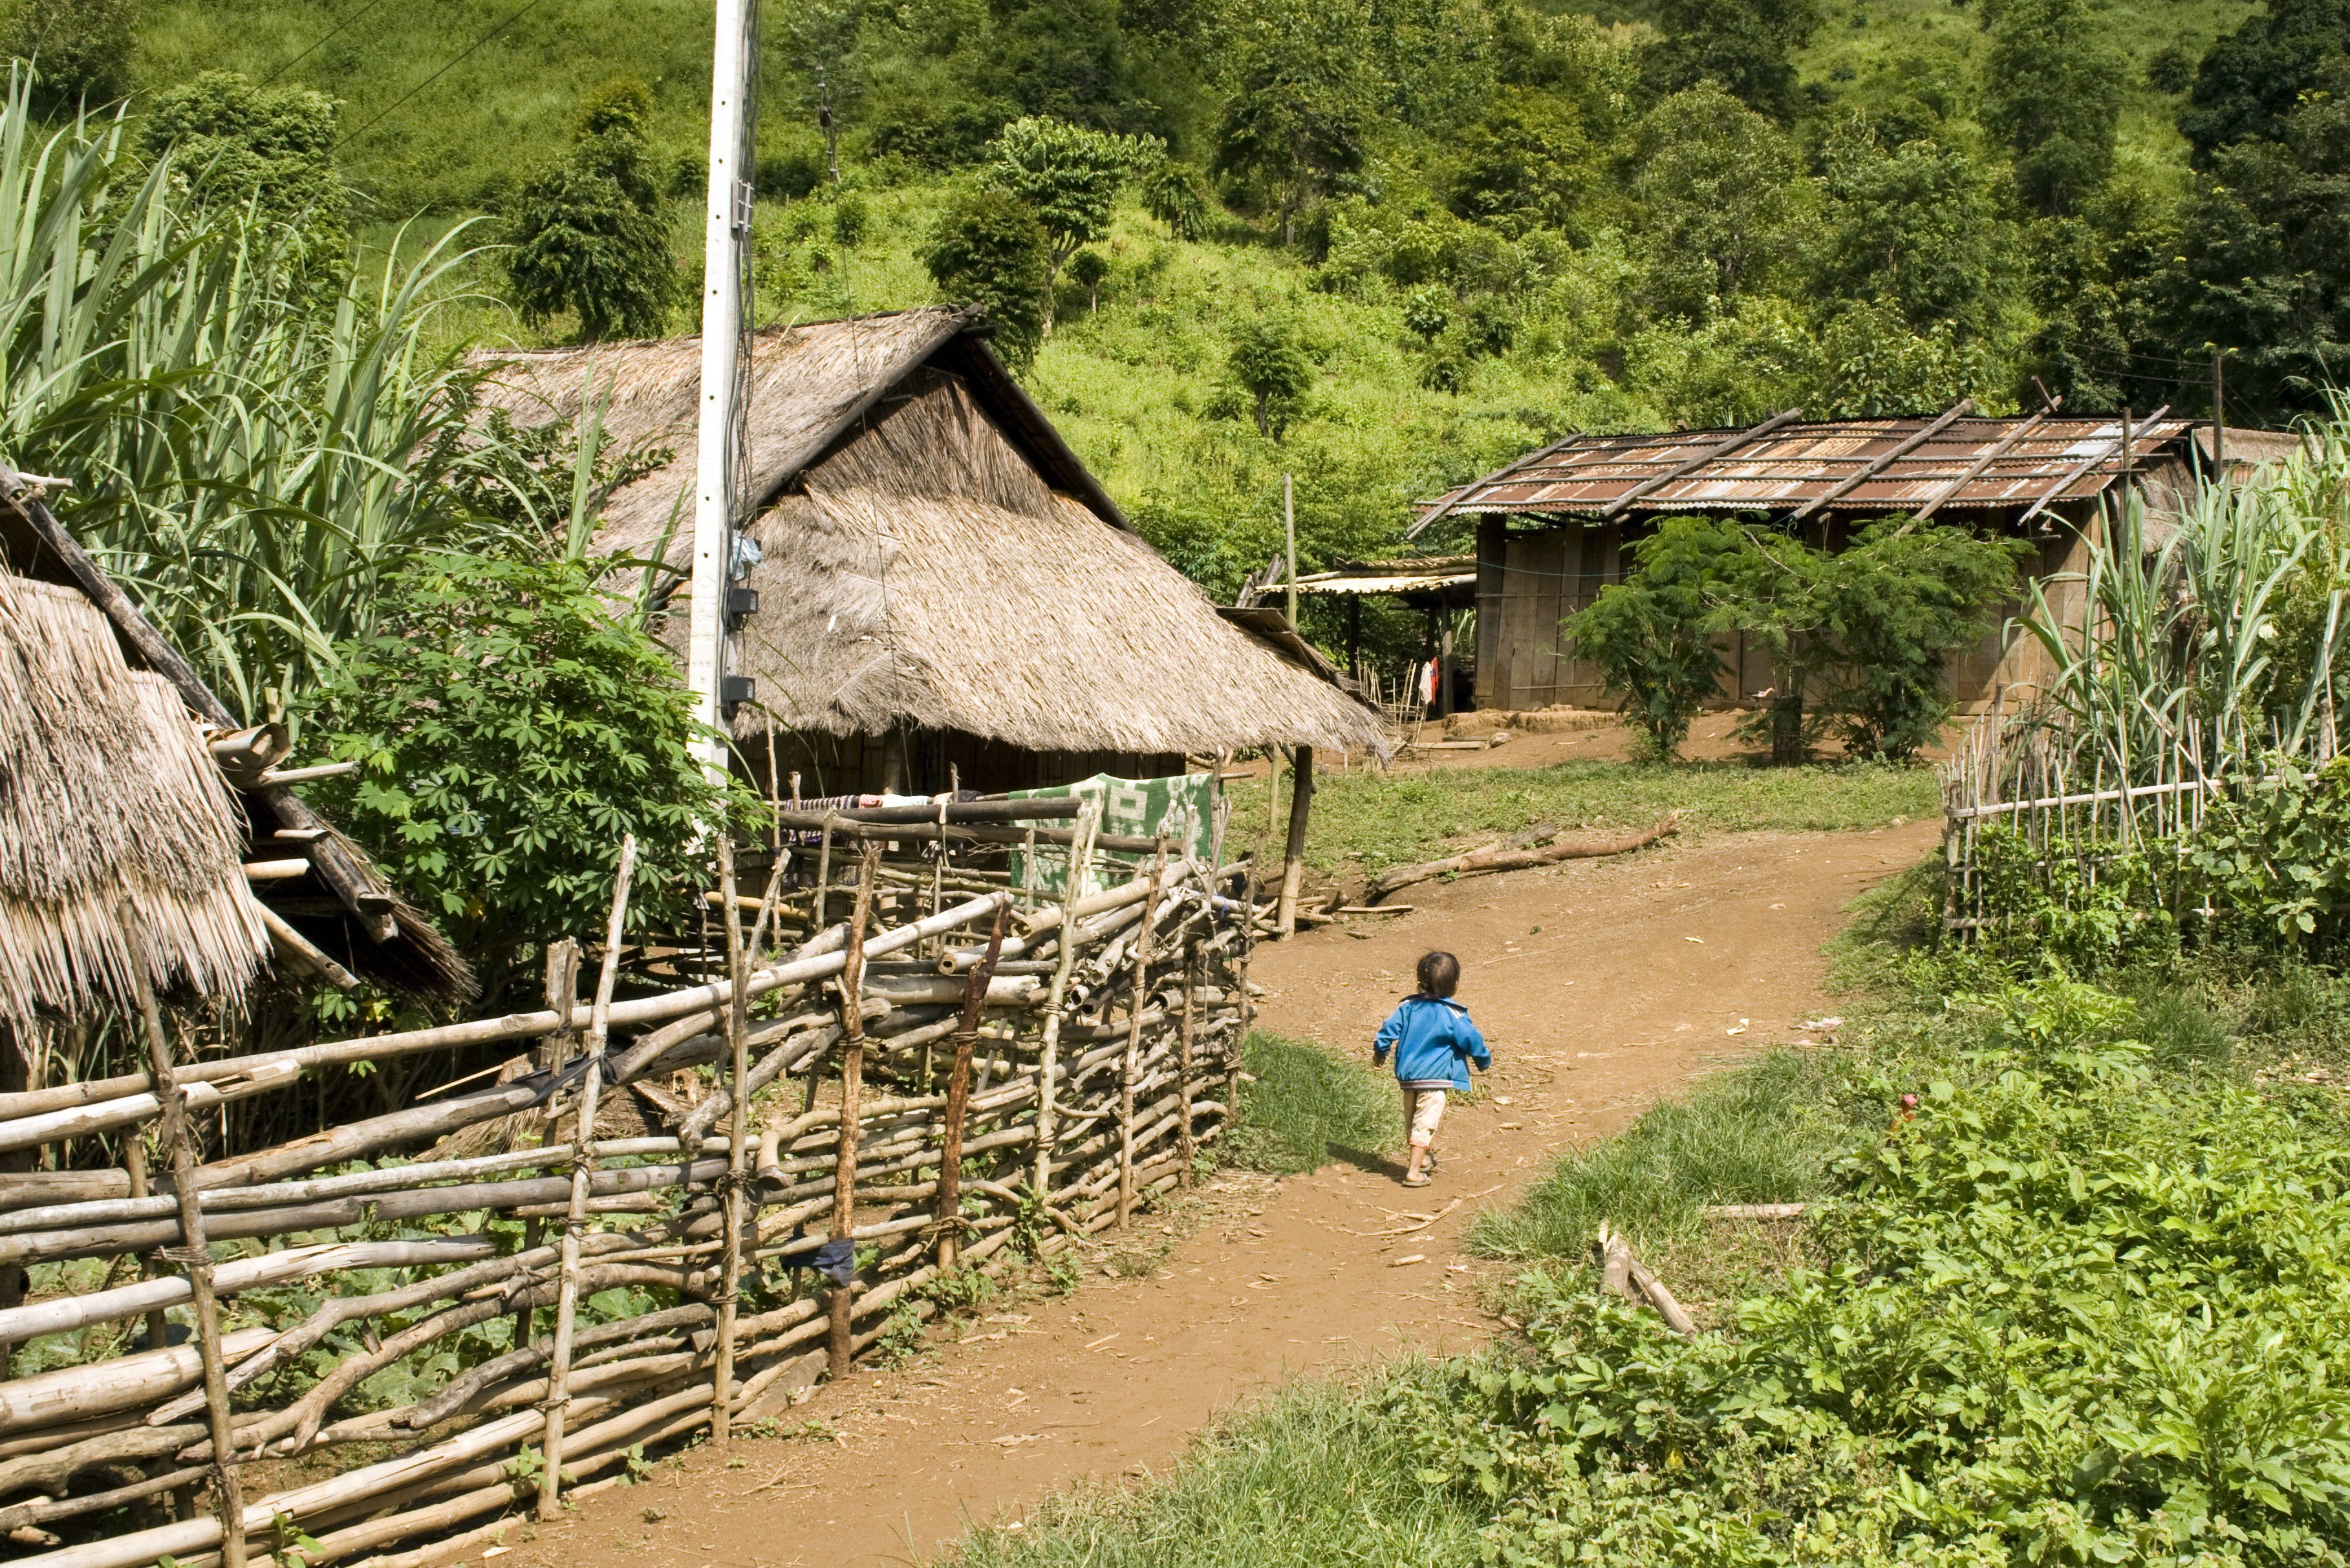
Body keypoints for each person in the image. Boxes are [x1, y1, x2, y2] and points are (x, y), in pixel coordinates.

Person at [1372, 950, 1489, 1187]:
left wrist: (1380, 1053)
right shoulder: (1453, 1013)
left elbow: (1387, 1031)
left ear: (1419, 982)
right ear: (1454, 985)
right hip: (1435, 1079)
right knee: (1425, 1123)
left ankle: (1422, 1159)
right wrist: (1482, 1060)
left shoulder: (1407, 1007)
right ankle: (1413, 1172)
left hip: (1409, 1077)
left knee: (1412, 1121)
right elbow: (1472, 1040)